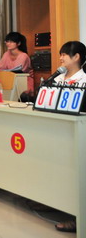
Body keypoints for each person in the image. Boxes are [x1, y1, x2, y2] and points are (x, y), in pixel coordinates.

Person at [53, 43, 86, 233]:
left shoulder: (83, 80)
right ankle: (50, 201)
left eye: (65, 54)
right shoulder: (57, 78)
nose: (61, 58)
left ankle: (77, 217)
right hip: (56, 129)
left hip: (75, 131)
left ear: (77, 57)